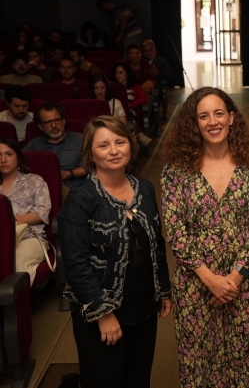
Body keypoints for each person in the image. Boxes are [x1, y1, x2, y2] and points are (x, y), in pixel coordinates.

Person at [161, 87, 249, 387]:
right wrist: (208, 278)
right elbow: (175, 230)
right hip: (195, 284)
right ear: (194, 123)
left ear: (232, 117)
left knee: (243, 362)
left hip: (243, 284)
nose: (213, 121)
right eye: (203, 116)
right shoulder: (177, 171)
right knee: (198, 364)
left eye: (219, 113)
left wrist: (236, 277)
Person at [59, 116, 171, 388]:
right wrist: (103, 314)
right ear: (91, 154)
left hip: (143, 305)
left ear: (130, 146)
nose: (114, 150)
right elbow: (76, 266)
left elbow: (156, 243)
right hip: (101, 311)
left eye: (120, 142)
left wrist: (164, 290)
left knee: (138, 379)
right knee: (105, 380)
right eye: (104, 145)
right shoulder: (81, 197)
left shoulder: (145, 188)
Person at [0, 138, 51, 285]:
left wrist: (11, 221)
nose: (3, 160)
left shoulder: (34, 180)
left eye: (9, 154)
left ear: (18, 158)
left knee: (18, 265)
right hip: (2, 239)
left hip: (30, 236)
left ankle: (20, 307)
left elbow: (41, 212)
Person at [24, 103, 88, 190]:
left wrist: (70, 173)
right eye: (48, 122)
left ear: (63, 121)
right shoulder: (34, 144)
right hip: (42, 189)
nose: (54, 126)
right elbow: (18, 163)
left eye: (57, 120)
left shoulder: (80, 139)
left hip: (74, 189)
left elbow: (94, 165)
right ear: (40, 126)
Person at [112, 62, 152, 147]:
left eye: (121, 72)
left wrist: (130, 105)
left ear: (127, 74)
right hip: (116, 113)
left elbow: (145, 98)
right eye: (116, 73)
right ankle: (139, 136)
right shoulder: (112, 88)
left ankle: (139, 136)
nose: (118, 75)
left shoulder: (135, 87)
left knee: (129, 114)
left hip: (130, 112)